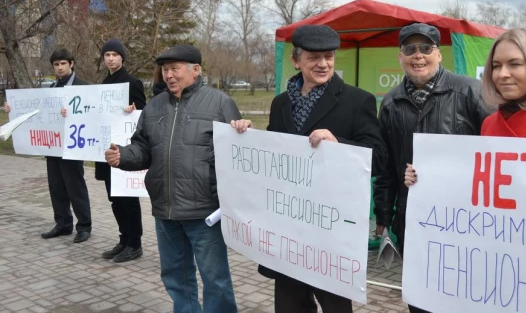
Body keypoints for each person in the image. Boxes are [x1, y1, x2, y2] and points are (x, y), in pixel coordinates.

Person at [231, 24, 387, 313]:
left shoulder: (356, 100)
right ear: (296, 61)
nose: (323, 64)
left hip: (329, 230)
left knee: (335, 306)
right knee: (290, 306)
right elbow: (273, 156)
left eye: (329, 56)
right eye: (314, 58)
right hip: (288, 227)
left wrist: (338, 143)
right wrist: (248, 135)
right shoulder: (280, 103)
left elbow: (378, 156)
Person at [104, 44, 238, 313]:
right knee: (176, 277)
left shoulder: (220, 103)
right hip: (165, 210)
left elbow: (236, 155)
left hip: (204, 211)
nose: (169, 75)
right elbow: (142, 147)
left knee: (215, 279)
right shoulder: (155, 106)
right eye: (165, 70)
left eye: (175, 68)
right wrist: (124, 155)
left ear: (195, 70)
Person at [373, 23, 491, 313]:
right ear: (400, 57)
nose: (418, 56)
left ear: (439, 54)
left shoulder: (470, 92)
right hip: (414, 222)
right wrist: (384, 217)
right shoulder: (389, 103)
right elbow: (387, 169)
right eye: (410, 49)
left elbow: (494, 154)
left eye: (426, 48)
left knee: (464, 297)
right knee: (421, 300)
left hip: (466, 220)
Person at [4, 48, 92, 243]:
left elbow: (90, 114)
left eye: (63, 63)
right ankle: (63, 224)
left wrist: (72, 114)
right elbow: (34, 112)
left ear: (72, 64)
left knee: (75, 187)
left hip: (72, 146)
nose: (60, 67)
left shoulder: (82, 87)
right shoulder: (50, 88)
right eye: (56, 64)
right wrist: (12, 108)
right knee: (56, 187)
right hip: (52, 147)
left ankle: (84, 227)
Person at [94, 39, 147, 263]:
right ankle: (124, 239)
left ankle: (135, 243)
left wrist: (133, 109)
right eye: (107, 55)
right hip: (106, 151)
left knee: (128, 200)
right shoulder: (103, 84)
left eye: (115, 54)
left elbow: (144, 115)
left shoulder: (132, 82)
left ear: (122, 57)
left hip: (125, 152)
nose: (111, 58)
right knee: (115, 199)